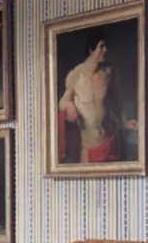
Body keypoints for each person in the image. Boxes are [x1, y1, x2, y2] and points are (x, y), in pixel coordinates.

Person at [57, 31, 137, 164]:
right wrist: (69, 105)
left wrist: (125, 122)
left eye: (106, 46)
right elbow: (62, 102)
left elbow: (116, 102)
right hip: (89, 146)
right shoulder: (76, 75)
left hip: (110, 141)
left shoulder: (108, 72)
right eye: (101, 46)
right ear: (91, 49)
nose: (105, 50)